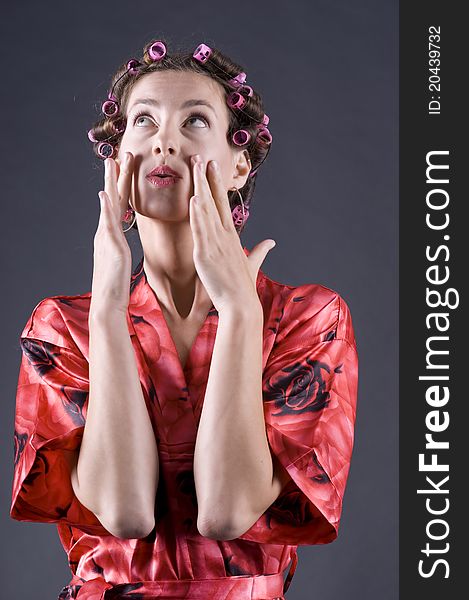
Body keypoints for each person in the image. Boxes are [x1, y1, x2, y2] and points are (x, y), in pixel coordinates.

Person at [10, 39, 359, 600]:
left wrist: (241, 314)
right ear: (118, 155)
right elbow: (123, 513)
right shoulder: (62, 327)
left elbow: (227, 512)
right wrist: (106, 312)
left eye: (195, 120)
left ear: (239, 162)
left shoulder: (306, 317)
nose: (164, 140)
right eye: (143, 120)